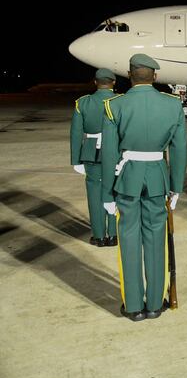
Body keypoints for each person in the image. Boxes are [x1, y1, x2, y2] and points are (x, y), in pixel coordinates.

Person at [100, 54, 187, 322]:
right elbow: (179, 149)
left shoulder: (115, 105)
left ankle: (134, 306)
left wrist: (106, 193)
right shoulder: (172, 106)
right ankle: (154, 305)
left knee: (128, 238)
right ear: (156, 77)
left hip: (127, 178)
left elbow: (109, 153)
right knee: (155, 240)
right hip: (158, 179)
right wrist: (176, 188)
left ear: (129, 74)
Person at [70, 68, 119, 247]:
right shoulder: (120, 101)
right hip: (115, 154)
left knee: (94, 195)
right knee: (114, 192)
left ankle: (98, 236)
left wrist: (76, 160)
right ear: (113, 82)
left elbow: (76, 133)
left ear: (95, 82)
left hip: (91, 154)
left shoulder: (82, 103)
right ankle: (114, 235)